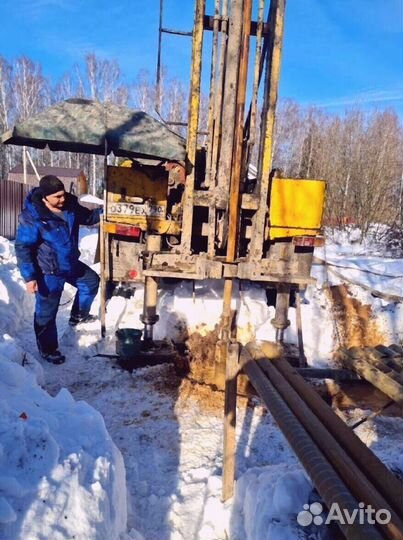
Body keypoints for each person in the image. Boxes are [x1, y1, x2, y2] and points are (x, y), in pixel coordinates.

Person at [15, 175, 102, 365]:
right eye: (57, 197)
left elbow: (87, 217)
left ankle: (79, 315)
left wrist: (106, 212)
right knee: (47, 311)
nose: (62, 199)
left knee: (91, 282)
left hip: (69, 263)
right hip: (48, 270)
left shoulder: (70, 205)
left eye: (63, 194)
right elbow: (23, 247)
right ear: (45, 197)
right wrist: (29, 277)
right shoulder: (32, 217)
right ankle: (48, 349)